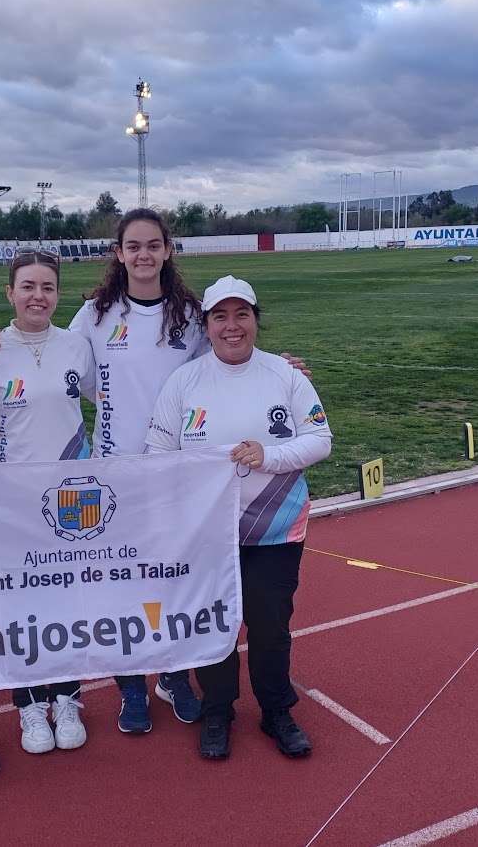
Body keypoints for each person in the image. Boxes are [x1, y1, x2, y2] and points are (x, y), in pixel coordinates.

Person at [0, 209, 313, 735]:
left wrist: (280, 369)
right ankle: (131, 684)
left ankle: (173, 676)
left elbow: (229, 356)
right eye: (133, 246)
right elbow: (57, 357)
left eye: (153, 245)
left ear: (167, 250)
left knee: (173, 581)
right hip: (113, 472)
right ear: (119, 253)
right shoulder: (95, 314)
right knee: (120, 583)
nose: (143, 255)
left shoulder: (191, 314)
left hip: (179, 473)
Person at [145, 275, 333, 760]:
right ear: (207, 325)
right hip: (206, 530)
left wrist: (269, 455)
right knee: (213, 624)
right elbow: (158, 451)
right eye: (220, 316)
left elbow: (320, 440)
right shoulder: (184, 380)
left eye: (241, 314)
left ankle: (276, 710)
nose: (232, 326)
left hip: (276, 527)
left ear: (255, 319)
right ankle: (218, 711)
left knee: (270, 624)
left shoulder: (285, 374)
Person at [0, 249, 97, 754]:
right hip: (14, 496)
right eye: (27, 286)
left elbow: (112, 398)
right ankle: (27, 704)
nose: (37, 296)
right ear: (10, 293)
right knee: (21, 601)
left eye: (47, 287)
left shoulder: (77, 347)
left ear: (57, 294)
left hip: (75, 493)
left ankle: (66, 698)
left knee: (69, 599)